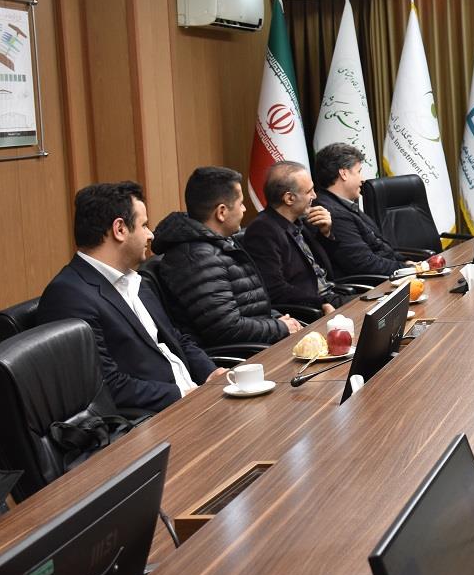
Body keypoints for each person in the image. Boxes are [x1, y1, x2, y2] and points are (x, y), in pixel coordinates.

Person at [38, 182, 222, 413]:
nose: (150, 234)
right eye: (144, 225)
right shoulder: (68, 297)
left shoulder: (134, 279)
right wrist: (184, 395)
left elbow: (174, 337)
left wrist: (211, 373)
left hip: (192, 398)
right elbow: (106, 387)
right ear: (120, 229)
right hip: (157, 417)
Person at [152, 167, 302, 347]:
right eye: (241, 203)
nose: (244, 209)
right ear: (221, 212)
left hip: (261, 343)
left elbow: (254, 306)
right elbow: (226, 329)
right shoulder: (196, 258)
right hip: (243, 356)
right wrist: (280, 327)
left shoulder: (222, 243)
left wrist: (279, 320)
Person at [242, 161, 355, 315]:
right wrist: (321, 302)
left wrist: (325, 233)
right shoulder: (262, 231)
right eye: (309, 191)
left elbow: (327, 267)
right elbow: (275, 290)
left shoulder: (299, 220)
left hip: (332, 296)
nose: (315, 196)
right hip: (313, 308)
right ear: (289, 198)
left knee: (382, 302)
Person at [312, 143, 410, 277]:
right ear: (343, 173)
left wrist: (406, 262)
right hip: (376, 284)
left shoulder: (343, 204)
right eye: (358, 172)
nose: (363, 179)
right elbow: (365, 263)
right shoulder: (334, 213)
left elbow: (381, 247)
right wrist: (408, 268)